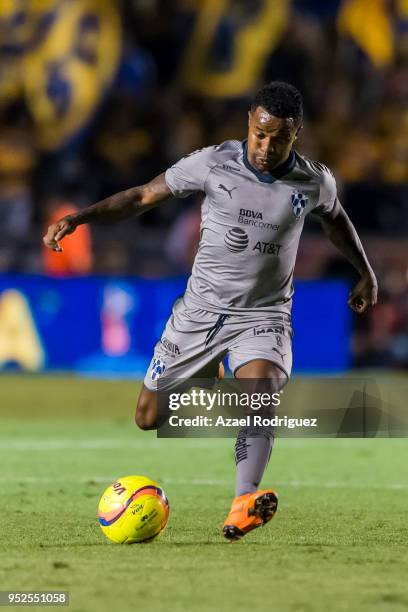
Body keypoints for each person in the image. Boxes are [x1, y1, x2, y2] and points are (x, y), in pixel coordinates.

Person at [43, 82, 378, 541]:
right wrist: (80, 218)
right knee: (148, 416)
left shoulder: (313, 181)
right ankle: (221, 378)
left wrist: (366, 271)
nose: (266, 146)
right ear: (248, 123)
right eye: (260, 134)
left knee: (260, 395)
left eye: (279, 137)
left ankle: (244, 500)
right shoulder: (212, 163)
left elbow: (336, 218)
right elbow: (142, 196)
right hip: (199, 313)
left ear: (296, 133)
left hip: (264, 317)